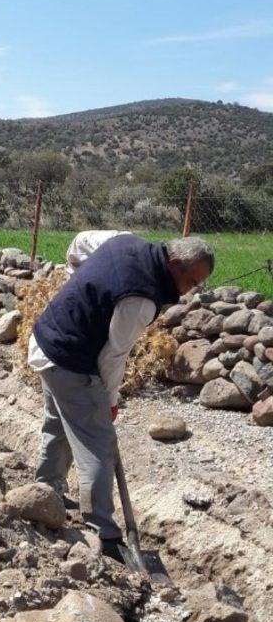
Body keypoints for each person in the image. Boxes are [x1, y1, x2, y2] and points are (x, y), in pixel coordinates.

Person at [28, 234, 214, 561]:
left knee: (59, 422)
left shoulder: (124, 241)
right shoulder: (140, 298)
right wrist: (110, 401)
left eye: (196, 284)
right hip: (71, 358)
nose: (188, 290)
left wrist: (79, 289)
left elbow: (79, 245)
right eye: (188, 281)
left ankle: (45, 491)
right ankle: (105, 533)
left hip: (48, 339)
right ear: (172, 263)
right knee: (98, 444)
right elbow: (114, 355)